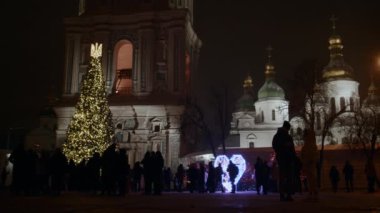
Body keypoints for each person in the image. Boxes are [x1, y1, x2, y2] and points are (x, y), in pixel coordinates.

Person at [272, 121, 297, 201]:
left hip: (281, 158)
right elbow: (292, 148)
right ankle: (288, 195)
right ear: (287, 128)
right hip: (287, 159)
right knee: (288, 177)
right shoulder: (287, 136)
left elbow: (274, 146)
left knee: (282, 177)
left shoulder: (277, 136)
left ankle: (282, 195)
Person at [300, 129, 319, 201]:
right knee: (309, 179)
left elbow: (314, 155)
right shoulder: (307, 145)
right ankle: (311, 193)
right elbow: (303, 154)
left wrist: (312, 161)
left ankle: (314, 193)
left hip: (310, 164)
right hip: (307, 164)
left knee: (312, 178)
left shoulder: (311, 145)